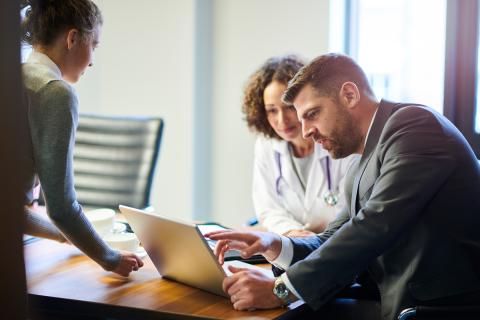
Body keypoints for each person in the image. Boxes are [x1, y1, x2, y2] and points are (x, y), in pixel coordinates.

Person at [207, 53, 480, 319]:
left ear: (349, 95)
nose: (306, 132)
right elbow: (331, 238)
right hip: (392, 298)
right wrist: (275, 243)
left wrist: (281, 290)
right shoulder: (362, 161)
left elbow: (373, 227)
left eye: (312, 114)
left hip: (441, 307)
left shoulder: (415, 127)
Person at [21, 0, 143, 276]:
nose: (92, 60)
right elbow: (61, 207)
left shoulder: (14, 77)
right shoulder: (53, 92)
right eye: (94, 45)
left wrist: (72, 238)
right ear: (73, 38)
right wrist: (110, 258)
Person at [242, 55, 356, 237]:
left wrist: (312, 238)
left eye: (288, 107)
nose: (282, 120)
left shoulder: (339, 143)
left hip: (336, 247)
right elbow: (268, 209)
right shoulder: (267, 146)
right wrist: (293, 232)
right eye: (272, 110)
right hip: (290, 244)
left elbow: (349, 212)